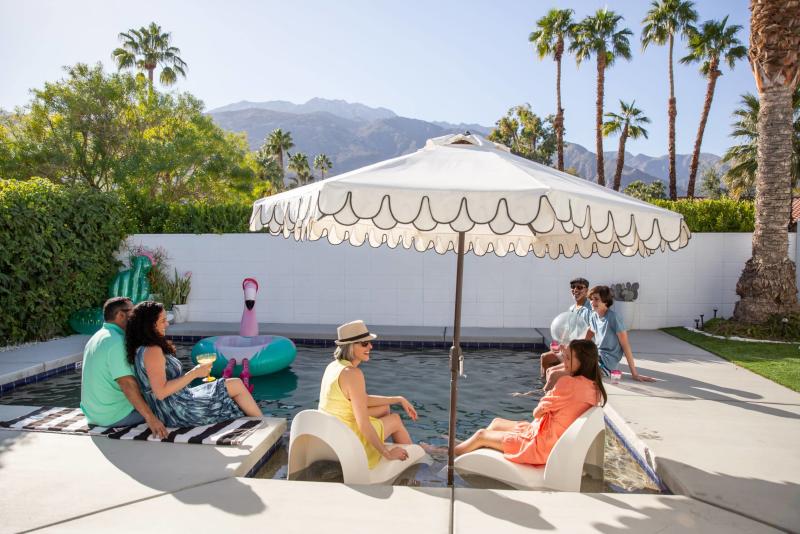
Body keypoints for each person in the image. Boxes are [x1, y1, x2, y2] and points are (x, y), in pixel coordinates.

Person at [455, 339, 606, 465]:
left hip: (540, 446)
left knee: (481, 434)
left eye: (567, 358)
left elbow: (537, 413)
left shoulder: (569, 384)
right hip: (551, 439)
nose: (563, 361)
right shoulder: (594, 386)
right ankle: (468, 446)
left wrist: (562, 378)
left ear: (582, 362)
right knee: (496, 423)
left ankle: (446, 455)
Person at [126, 301, 262, 427]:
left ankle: (259, 423)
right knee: (236, 385)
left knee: (231, 386)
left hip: (176, 403)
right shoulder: (152, 351)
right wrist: (194, 373)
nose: (167, 324)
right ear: (150, 325)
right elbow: (161, 392)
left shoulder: (142, 348)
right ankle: (263, 425)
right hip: (178, 412)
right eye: (162, 321)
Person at [318, 320, 418, 468]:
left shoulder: (334, 366)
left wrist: (398, 399)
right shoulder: (353, 373)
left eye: (369, 342)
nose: (370, 346)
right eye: (364, 344)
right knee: (396, 419)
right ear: (351, 346)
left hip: (332, 432)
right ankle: (411, 463)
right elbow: (363, 424)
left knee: (384, 409)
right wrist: (387, 453)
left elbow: (361, 400)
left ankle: (391, 442)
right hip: (348, 440)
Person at [80, 297, 167, 437]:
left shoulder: (96, 338)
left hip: (93, 415)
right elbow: (127, 383)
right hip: (113, 417)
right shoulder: (117, 342)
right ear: (120, 315)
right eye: (132, 313)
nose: (135, 317)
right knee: (171, 410)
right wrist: (151, 419)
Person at [587, 285, 655, 382]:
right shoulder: (594, 316)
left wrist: (635, 374)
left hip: (607, 363)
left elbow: (625, 346)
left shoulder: (614, 318)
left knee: (576, 369)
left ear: (605, 301)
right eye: (591, 299)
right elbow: (587, 337)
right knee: (569, 360)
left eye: (596, 299)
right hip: (597, 356)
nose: (592, 302)